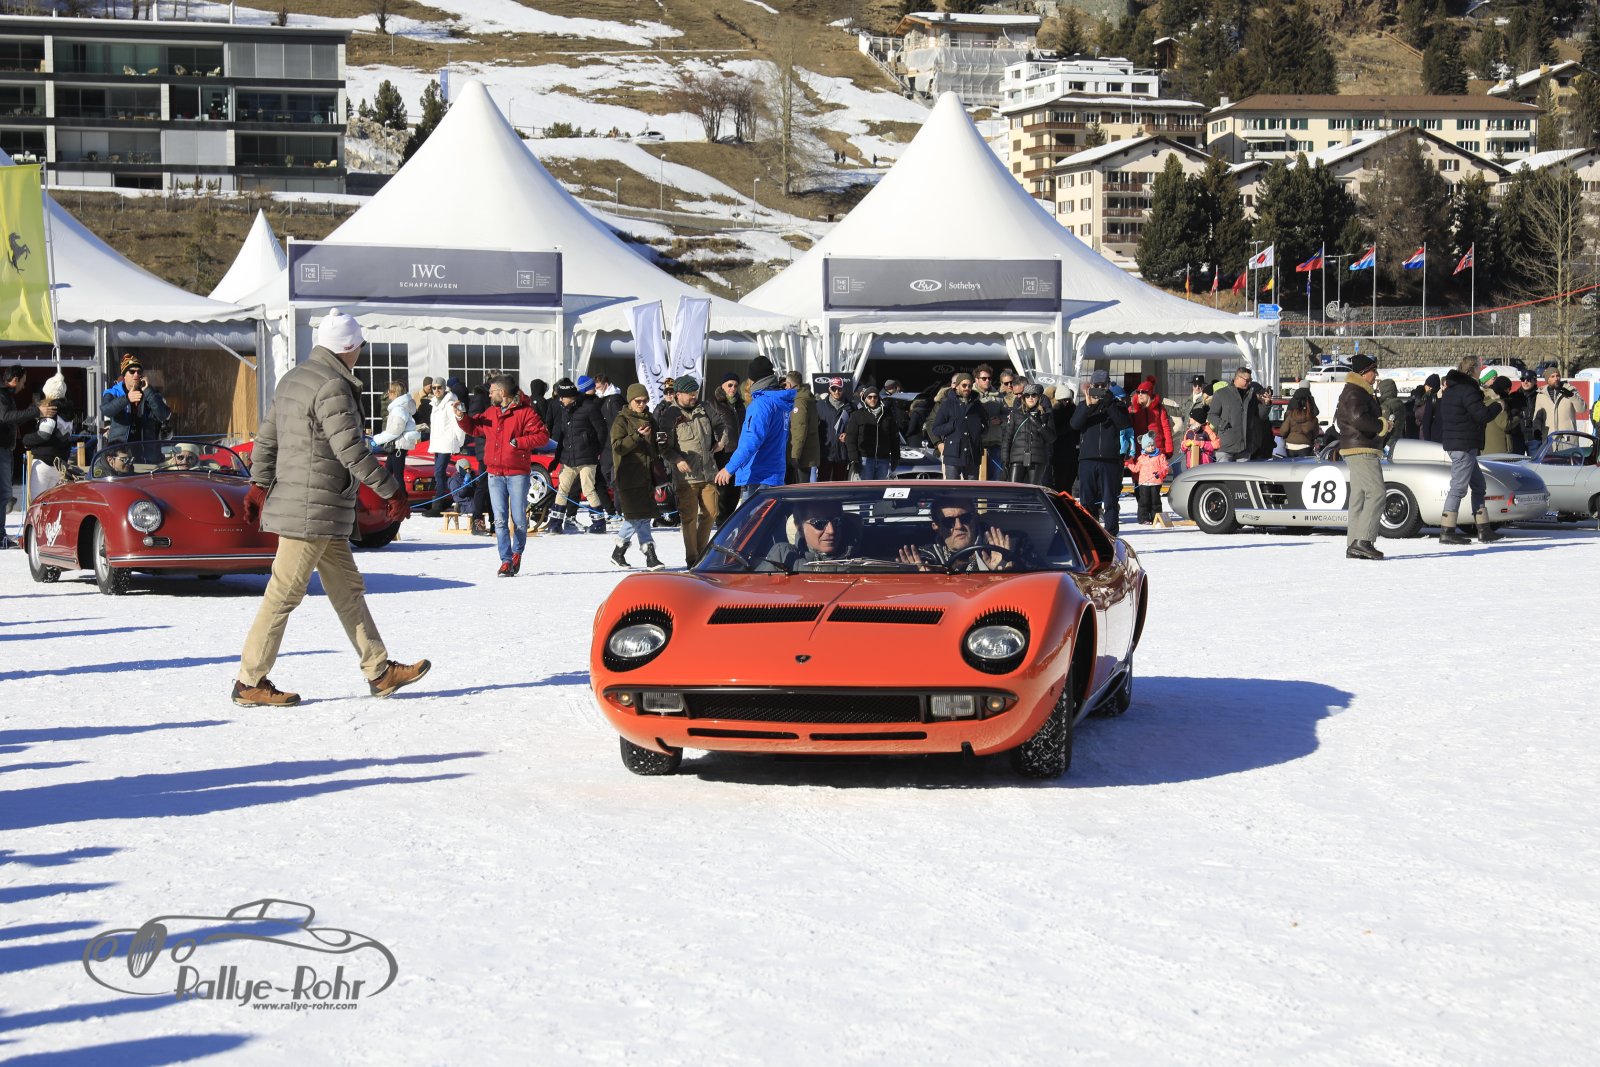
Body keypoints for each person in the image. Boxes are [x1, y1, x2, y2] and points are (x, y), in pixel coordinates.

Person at [234, 309, 427, 707]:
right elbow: (351, 450)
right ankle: (249, 680)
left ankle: (378, 670)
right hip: (312, 509)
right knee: (283, 594)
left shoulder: (294, 378)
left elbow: (266, 439)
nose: (360, 352)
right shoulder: (333, 386)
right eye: (360, 346)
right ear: (349, 347)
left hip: (320, 509)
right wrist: (392, 491)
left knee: (347, 590)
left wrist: (258, 484)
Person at [458, 373, 550, 577]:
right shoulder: (491, 412)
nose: (489, 395)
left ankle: (517, 553)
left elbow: (543, 436)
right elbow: (474, 427)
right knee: (499, 520)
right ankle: (506, 561)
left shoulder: (525, 412)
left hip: (517, 473)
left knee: (518, 519)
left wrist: (520, 442)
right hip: (494, 473)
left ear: (502, 392)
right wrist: (461, 417)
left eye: (491, 391)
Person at [1436, 356, 1504, 545]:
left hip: (1458, 443)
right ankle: (1447, 530)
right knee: (1458, 488)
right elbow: (1481, 415)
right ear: (1472, 370)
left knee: (1479, 485)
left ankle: (1483, 529)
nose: (1481, 371)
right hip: (1464, 444)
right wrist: (1498, 405)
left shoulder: (1451, 389)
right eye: (1479, 368)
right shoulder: (1468, 390)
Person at [716, 356, 795, 505]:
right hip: (774, 474)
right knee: (771, 519)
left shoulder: (761, 404)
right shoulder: (779, 402)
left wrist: (729, 468)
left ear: (753, 380)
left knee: (751, 519)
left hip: (759, 476)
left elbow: (751, 440)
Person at [661, 376, 720, 567]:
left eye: (695, 393)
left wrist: (722, 440)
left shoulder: (705, 408)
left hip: (708, 472)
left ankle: (702, 553)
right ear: (678, 394)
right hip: (686, 477)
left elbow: (721, 425)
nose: (694, 396)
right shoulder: (670, 415)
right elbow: (663, 446)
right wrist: (677, 460)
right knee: (689, 518)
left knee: (712, 513)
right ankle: (693, 558)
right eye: (690, 394)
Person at [1335, 355, 1389, 561]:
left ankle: (1354, 543)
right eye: (1373, 371)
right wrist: (1381, 425)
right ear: (1363, 372)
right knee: (1377, 492)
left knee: (1358, 496)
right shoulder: (1355, 392)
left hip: (1355, 447)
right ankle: (1363, 541)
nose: (1376, 375)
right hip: (1362, 448)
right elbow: (1358, 418)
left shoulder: (1355, 391)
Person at [610, 383, 665, 570]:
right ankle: (650, 556)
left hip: (647, 476)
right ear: (630, 401)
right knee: (640, 517)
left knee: (638, 516)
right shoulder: (621, 421)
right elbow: (618, 447)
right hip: (629, 476)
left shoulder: (650, 420)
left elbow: (654, 450)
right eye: (638, 401)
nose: (642, 404)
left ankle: (618, 552)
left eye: (644, 401)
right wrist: (637, 436)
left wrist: (660, 441)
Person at [896, 496, 1031, 572]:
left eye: (965, 518)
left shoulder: (1011, 545)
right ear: (936, 527)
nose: (959, 526)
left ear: (975, 518)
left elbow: (1036, 581)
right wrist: (921, 581)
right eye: (949, 522)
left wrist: (1007, 573)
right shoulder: (926, 557)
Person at [1070, 370, 1131, 536]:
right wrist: (1089, 406)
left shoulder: (1116, 404)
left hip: (1110, 459)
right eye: (1096, 385)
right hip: (1088, 459)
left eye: (1102, 386)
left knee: (1110, 499)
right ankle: (1089, 532)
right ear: (1091, 385)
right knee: (1087, 500)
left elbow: (1123, 423)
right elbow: (1074, 424)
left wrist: (1109, 402)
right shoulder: (1084, 405)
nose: (1099, 389)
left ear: (1108, 386)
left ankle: (1111, 533)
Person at [546, 378, 609, 535]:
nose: (560, 400)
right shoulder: (565, 409)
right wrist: (556, 458)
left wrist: (596, 451)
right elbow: (563, 436)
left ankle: (599, 523)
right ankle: (556, 522)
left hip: (587, 458)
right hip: (568, 458)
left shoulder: (589, 407)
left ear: (570, 396)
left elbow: (602, 431)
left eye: (562, 397)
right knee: (563, 488)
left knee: (588, 489)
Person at [2, 366, 48, 547]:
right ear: (15, 380)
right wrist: (36, 411)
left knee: (4, 494)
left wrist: (32, 411)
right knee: (4, 494)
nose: (24, 385)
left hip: (6, 449)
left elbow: (13, 419)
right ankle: (0, 536)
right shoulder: (2, 395)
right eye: (23, 381)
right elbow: (6, 416)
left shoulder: (7, 396)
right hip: (1, 450)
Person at [759, 497, 860, 571]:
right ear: (800, 528)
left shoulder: (864, 562)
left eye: (836, 521)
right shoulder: (782, 556)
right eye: (820, 523)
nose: (831, 530)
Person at [101, 354, 171, 445]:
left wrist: (148, 391)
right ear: (124, 376)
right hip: (121, 449)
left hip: (146, 449)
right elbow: (106, 410)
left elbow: (164, 415)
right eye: (132, 371)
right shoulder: (113, 392)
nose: (136, 374)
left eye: (139, 372)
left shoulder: (150, 392)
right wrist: (127, 398)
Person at [928, 373, 987, 479]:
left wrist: (979, 429)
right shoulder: (947, 404)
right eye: (964, 385)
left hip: (972, 454)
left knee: (971, 487)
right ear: (957, 386)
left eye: (970, 386)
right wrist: (953, 425)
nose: (967, 388)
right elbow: (936, 429)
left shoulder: (977, 404)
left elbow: (986, 425)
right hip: (953, 454)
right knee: (952, 487)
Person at [1208, 365, 1271, 462]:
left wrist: (1266, 404)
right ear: (1237, 378)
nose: (1249, 383)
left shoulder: (1252, 396)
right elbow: (1212, 415)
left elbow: (1261, 416)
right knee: (1224, 472)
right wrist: (1223, 425)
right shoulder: (1221, 393)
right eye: (1247, 380)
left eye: (1250, 380)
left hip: (1245, 447)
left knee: (1243, 472)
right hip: (1226, 447)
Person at [707, 372, 745, 521]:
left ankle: (728, 522)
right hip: (722, 453)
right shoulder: (713, 403)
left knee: (735, 492)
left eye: (735, 385)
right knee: (723, 492)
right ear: (722, 386)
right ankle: (721, 523)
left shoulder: (740, 404)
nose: (732, 388)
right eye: (729, 385)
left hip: (738, 453)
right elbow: (708, 426)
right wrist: (715, 443)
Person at [1002, 383, 1056, 485]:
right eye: (1027, 396)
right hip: (1017, 457)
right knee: (1014, 488)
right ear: (1023, 398)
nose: (1030, 398)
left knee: (1032, 490)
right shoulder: (1016, 414)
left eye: (1033, 395)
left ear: (1038, 397)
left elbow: (1052, 438)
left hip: (1037, 458)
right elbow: (1007, 438)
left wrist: (1039, 423)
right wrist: (1005, 459)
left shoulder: (1046, 415)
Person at [427, 380, 466, 516]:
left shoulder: (450, 403)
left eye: (439, 387)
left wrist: (460, 442)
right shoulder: (435, 404)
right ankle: (445, 501)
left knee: (439, 473)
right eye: (434, 388)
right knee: (439, 474)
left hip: (446, 443)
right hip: (437, 443)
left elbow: (457, 424)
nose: (436, 390)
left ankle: (438, 504)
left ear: (444, 388)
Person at [845, 384, 899, 480]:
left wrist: (895, 456)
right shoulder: (857, 415)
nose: (872, 399)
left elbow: (894, 437)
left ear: (878, 398)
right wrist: (854, 459)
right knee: (866, 488)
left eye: (875, 397)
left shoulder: (887, 414)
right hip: (865, 459)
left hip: (883, 459)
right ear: (865, 399)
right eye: (869, 397)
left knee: (881, 488)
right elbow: (851, 438)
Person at [371, 378, 419, 483]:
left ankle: (400, 494)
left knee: (397, 476)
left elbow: (395, 431)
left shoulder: (399, 409)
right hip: (395, 446)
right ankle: (389, 493)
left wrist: (377, 440)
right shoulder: (399, 408)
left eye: (390, 391)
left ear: (395, 393)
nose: (388, 393)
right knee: (389, 473)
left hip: (398, 446)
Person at [1125, 432, 1170, 524]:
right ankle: (1144, 518)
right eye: (1148, 446)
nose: (1151, 447)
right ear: (1144, 448)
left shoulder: (1160, 456)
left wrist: (1160, 473)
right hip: (1144, 483)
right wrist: (1128, 463)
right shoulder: (1141, 458)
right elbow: (1136, 469)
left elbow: (1165, 467)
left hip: (1155, 482)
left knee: (1155, 501)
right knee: (1144, 501)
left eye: (1152, 445)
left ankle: (1156, 518)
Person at [817, 377, 854, 482]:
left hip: (842, 453)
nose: (837, 392)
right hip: (825, 452)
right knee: (823, 484)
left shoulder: (851, 407)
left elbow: (855, 429)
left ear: (843, 389)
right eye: (834, 389)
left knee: (840, 484)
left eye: (839, 389)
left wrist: (848, 435)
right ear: (829, 389)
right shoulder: (819, 406)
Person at [786, 370, 820, 483]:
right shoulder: (807, 397)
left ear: (789, 385)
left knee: (798, 488)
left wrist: (795, 455)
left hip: (801, 455)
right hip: (807, 451)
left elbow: (799, 428)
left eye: (786, 385)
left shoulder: (799, 401)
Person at [1533, 367, 1578, 441]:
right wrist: (1537, 429)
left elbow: (1582, 409)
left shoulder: (1570, 389)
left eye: (1557, 376)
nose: (1556, 378)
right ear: (1547, 379)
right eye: (1552, 376)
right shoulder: (1541, 395)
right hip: (1549, 439)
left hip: (1568, 438)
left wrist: (1572, 396)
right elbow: (1537, 417)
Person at [1280, 387, 1320, 458]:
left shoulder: (1290, 415)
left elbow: (1283, 432)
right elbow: (1315, 434)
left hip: (1290, 447)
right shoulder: (1312, 418)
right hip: (1305, 447)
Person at [1483, 375, 1513, 455]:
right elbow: (1505, 424)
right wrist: (1518, 417)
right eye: (1508, 389)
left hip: (1486, 447)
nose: (1508, 392)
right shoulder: (1499, 402)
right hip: (1499, 448)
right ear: (1504, 389)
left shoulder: (1485, 399)